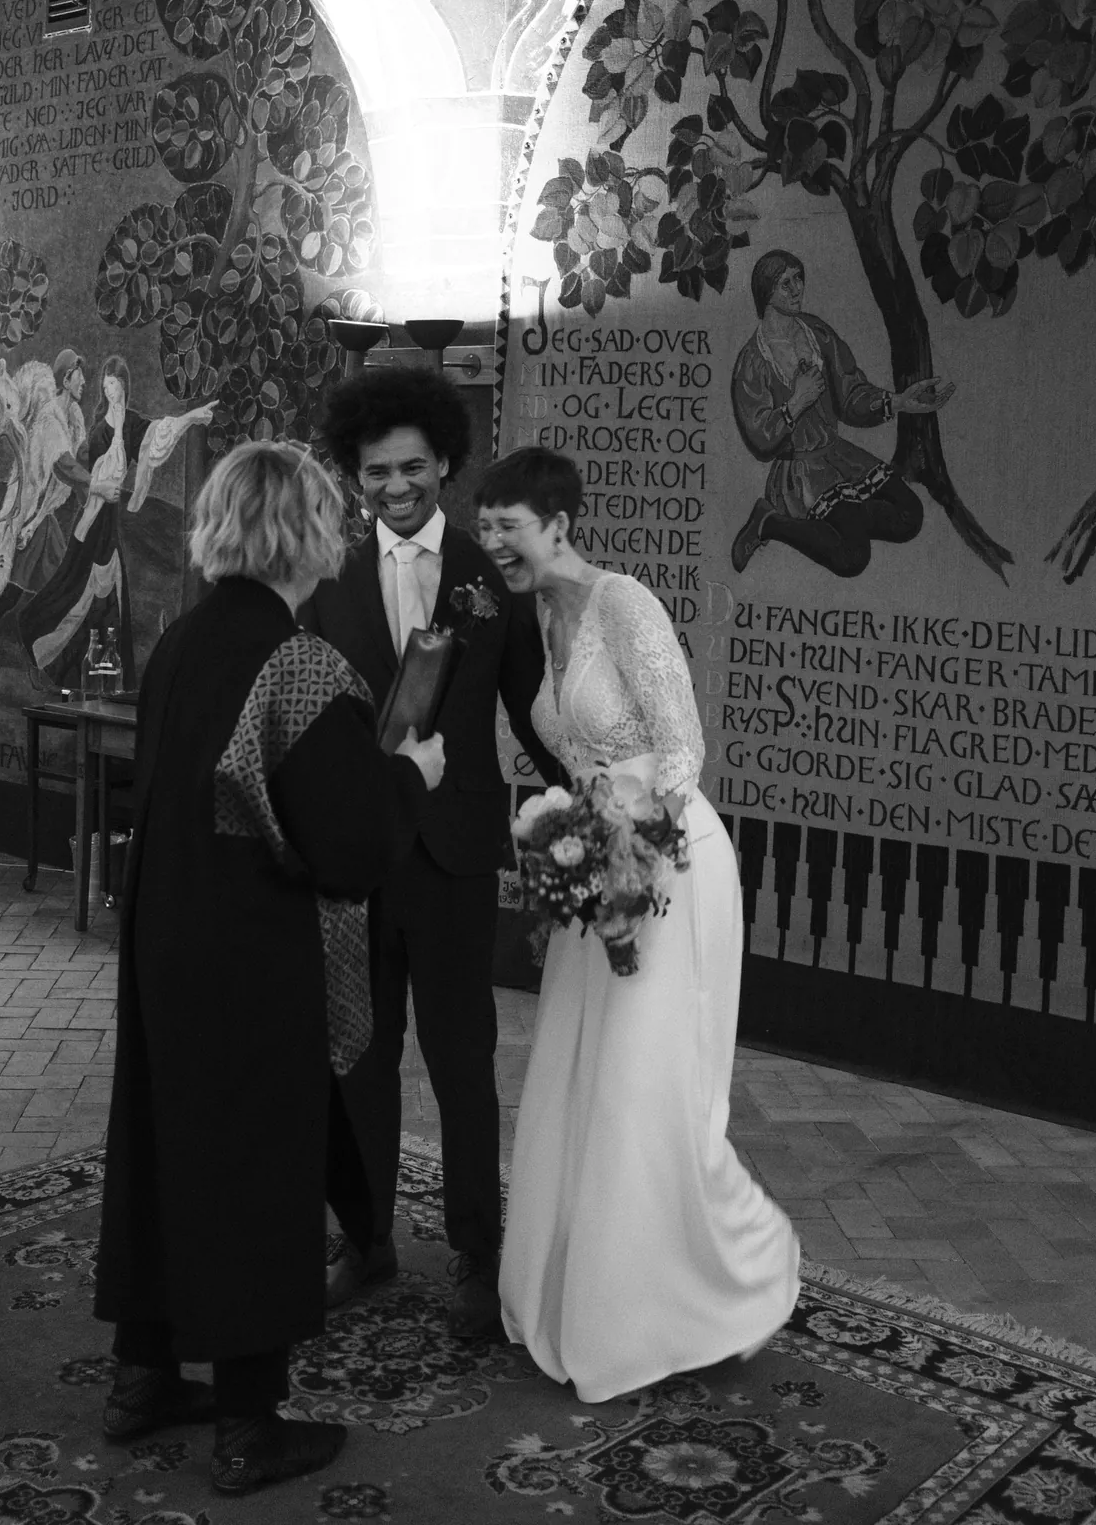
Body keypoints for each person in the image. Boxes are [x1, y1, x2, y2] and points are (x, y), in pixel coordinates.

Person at [93, 441, 445, 1496]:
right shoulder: (299, 664)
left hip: (166, 933)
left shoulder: (181, 640)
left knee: (165, 1145)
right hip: (253, 950)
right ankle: (249, 1426)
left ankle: (143, 1378)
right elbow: (349, 843)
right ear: (308, 533)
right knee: (254, 1165)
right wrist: (410, 776)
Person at [478, 446, 800, 1404]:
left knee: (643, 1088)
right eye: (485, 528)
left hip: (667, 865)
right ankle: (580, 1296)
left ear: (559, 525)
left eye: (509, 527)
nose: (495, 543)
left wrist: (628, 846)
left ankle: (708, 1288)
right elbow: (567, 750)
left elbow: (682, 748)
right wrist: (571, 844)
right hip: (596, 870)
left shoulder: (624, 604)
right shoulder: (539, 615)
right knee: (580, 1077)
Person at [301, 365, 558, 1340]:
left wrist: (586, 801)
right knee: (359, 1060)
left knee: (461, 1062)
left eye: (412, 467)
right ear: (354, 475)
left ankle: (477, 1254)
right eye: (376, 471)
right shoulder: (327, 579)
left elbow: (531, 712)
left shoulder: (490, 577)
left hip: (454, 857)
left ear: (445, 463)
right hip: (358, 858)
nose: (395, 486)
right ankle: (364, 1241)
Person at [730, 250, 953, 577]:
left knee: (909, 515)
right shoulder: (752, 360)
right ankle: (770, 522)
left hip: (839, 456)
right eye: (785, 283)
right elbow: (758, 437)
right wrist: (797, 402)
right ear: (766, 292)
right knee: (852, 558)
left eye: (799, 278)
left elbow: (850, 395)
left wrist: (898, 402)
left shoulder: (816, 332)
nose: (797, 289)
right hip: (801, 473)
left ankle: (844, 521)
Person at [19, 354, 213, 687]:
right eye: (106, 385)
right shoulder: (98, 433)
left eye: (115, 384)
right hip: (92, 523)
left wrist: (191, 418)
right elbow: (77, 471)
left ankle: (108, 681)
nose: (110, 391)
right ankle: (33, 635)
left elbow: (157, 434)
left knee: (110, 601)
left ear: (124, 386)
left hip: (107, 525)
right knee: (69, 589)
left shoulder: (131, 423)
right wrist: (100, 485)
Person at [0, 349, 88, 683]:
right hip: (24, 512)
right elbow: (63, 466)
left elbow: (67, 472)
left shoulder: (73, 418)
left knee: (52, 588)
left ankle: (37, 655)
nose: (84, 382)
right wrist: (95, 484)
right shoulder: (49, 419)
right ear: (66, 379)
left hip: (40, 518)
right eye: (79, 375)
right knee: (11, 594)